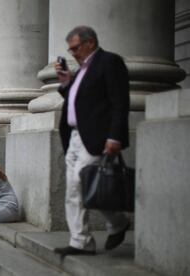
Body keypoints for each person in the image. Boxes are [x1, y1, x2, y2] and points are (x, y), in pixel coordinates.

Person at [53, 26, 131, 256]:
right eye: (70, 49)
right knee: (74, 188)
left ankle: (103, 230)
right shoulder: (81, 71)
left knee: (82, 184)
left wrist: (115, 136)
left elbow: (119, 102)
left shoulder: (109, 62)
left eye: (75, 47)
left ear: (90, 42)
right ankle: (87, 238)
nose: (73, 53)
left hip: (97, 137)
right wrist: (67, 83)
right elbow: (82, 102)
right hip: (75, 137)